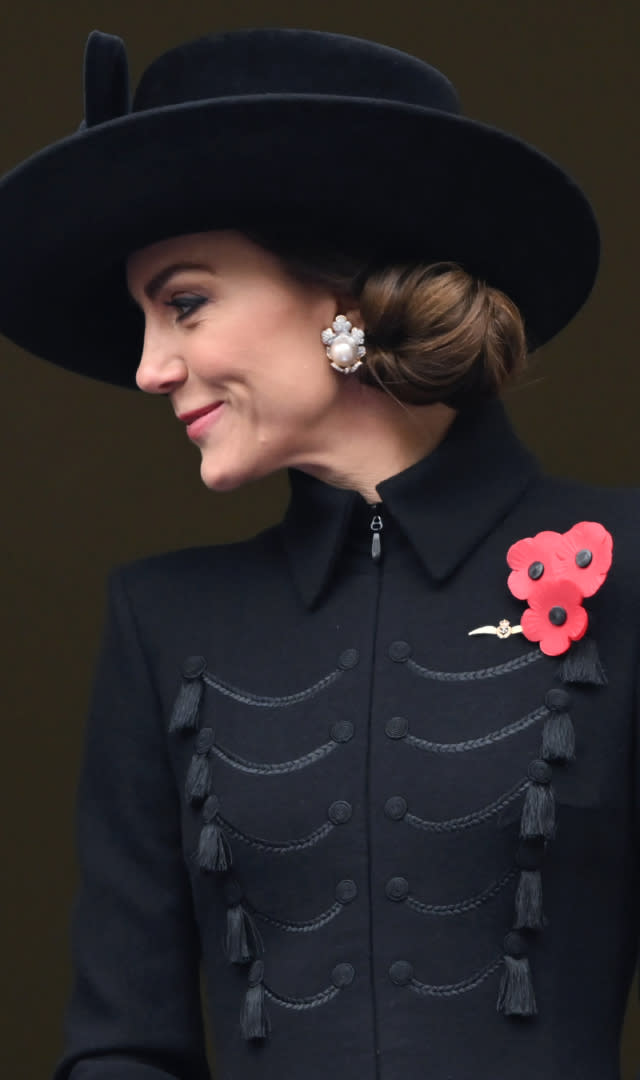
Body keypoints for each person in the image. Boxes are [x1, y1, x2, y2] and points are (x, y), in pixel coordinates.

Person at [0, 25, 637, 1080]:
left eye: (186, 302)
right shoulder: (161, 622)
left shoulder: (628, 566)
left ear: (344, 295)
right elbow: (124, 1046)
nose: (152, 367)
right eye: (145, 318)